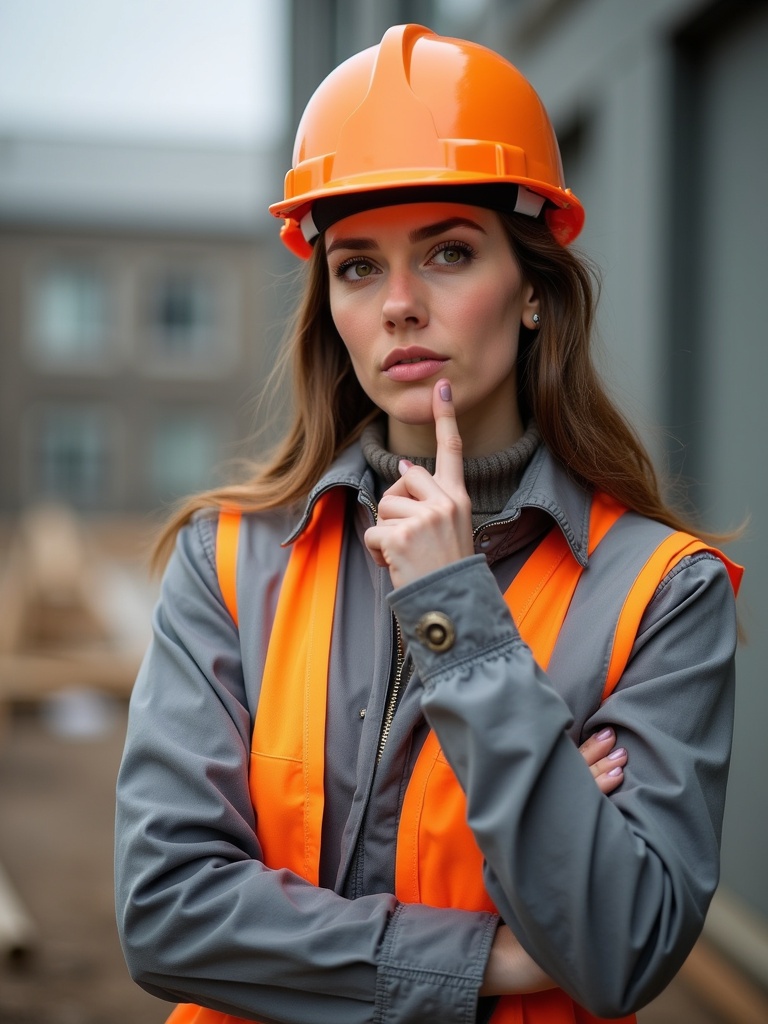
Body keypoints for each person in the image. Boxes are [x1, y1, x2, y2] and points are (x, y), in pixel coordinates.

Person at [115, 23, 743, 1024]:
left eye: (448, 252)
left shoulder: (661, 591)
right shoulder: (230, 560)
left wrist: (461, 621)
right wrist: (485, 957)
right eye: (358, 267)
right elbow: (164, 911)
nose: (400, 304)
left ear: (533, 287)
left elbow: (620, 942)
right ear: (329, 304)